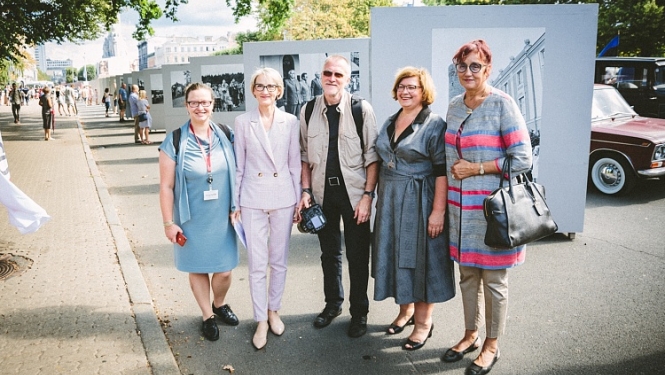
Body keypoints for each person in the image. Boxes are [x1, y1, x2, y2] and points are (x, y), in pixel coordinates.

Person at [442, 40, 532, 375]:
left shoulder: (503, 105)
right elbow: (450, 158)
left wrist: (478, 168)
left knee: (494, 281)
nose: (467, 72)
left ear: (487, 69)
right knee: (467, 277)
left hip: (493, 212)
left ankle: (491, 345)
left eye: (475, 66)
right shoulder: (454, 106)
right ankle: (470, 333)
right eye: (462, 66)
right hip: (460, 210)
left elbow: (522, 159)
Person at [373, 67, 455, 350]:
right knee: (398, 255)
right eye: (402, 86)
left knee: (421, 260)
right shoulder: (391, 120)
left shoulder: (433, 124)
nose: (405, 91)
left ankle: (423, 324)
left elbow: (442, 171)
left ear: (424, 92)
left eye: (412, 87)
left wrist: (438, 211)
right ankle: (405, 311)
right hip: (391, 200)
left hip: (420, 200)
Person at [297, 55, 379, 338]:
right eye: (327, 73)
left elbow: (372, 156)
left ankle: (359, 313)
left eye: (338, 75)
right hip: (322, 195)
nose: (332, 78)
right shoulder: (307, 110)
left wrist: (368, 196)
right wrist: (306, 191)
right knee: (329, 253)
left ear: (348, 79)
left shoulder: (361, 109)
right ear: (321, 76)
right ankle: (333, 304)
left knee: (358, 256)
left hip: (354, 195)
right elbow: (305, 157)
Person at [158, 83, 240, 342]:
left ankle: (219, 303)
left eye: (205, 102)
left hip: (223, 216)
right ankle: (207, 315)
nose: (200, 107)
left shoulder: (227, 134)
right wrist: (169, 223)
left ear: (213, 104)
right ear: (187, 105)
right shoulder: (174, 140)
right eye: (194, 102)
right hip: (191, 217)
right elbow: (166, 186)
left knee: (224, 270)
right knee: (198, 268)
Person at [232, 68, 301, 350]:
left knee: (279, 260)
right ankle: (260, 318)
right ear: (252, 90)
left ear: (279, 90)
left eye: (271, 86)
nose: (265, 91)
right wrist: (235, 203)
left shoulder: (291, 120)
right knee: (257, 264)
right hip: (252, 196)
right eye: (260, 86)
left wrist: (297, 201)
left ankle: (274, 310)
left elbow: (295, 163)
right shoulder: (242, 121)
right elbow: (239, 165)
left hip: (283, 196)